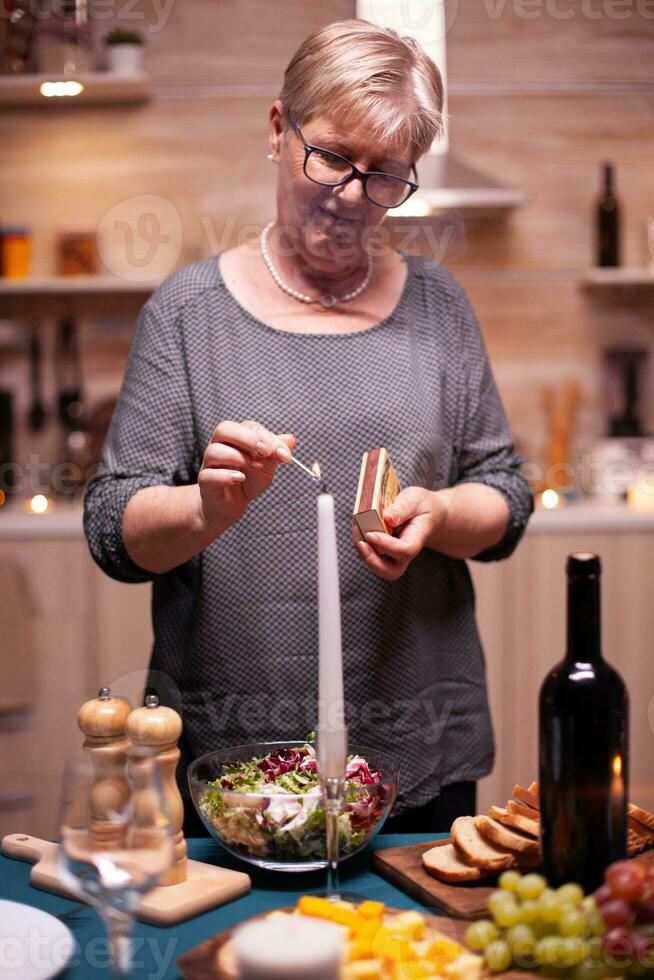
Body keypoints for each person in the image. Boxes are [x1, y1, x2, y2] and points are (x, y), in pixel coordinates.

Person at [84, 19, 533, 836]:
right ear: (277, 129)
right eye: (329, 156)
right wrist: (205, 510)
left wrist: (438, 515)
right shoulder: (189, 314)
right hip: (235, 760)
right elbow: (114, 530)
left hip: (415, 752)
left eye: (386, 176)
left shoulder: (439, 307)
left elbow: (506, 498)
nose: (352, 196)